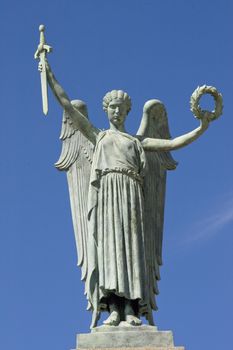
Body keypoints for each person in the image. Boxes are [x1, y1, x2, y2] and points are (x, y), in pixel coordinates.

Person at [39, 56, 209, 328]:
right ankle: (114, 311)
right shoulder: (99, 135)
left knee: (130, 251)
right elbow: (67, 104)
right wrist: (49, 74)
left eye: (120, 108)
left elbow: (175, 142)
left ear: (127, 112)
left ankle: (132, 309)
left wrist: (202, 126)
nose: (116, 112)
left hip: (131, 196)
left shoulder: (136, 140)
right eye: (112, 108)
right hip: (107, 196)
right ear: (106, 111)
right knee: (110, 250)